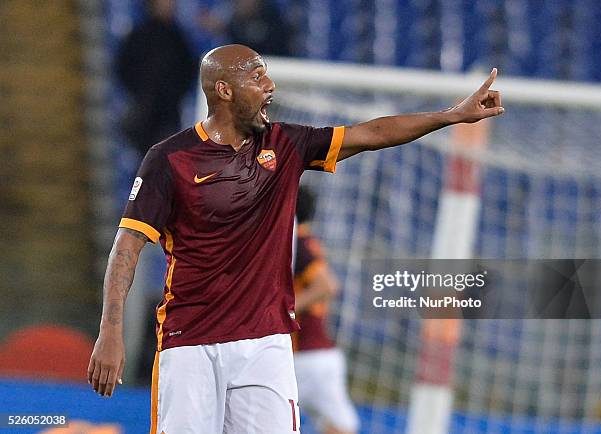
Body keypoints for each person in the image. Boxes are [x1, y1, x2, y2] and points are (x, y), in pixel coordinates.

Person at [87, 44, 503, 434]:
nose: (270, 86)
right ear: (224, 90)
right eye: (257, 77)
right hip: (189, 342)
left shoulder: (286, 144)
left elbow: (373, 133)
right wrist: (111, 331)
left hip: (266, 343)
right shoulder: (169, 158)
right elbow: (127, 247)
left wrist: (451, 115)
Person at [293, 186, 359, 434]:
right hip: (321, 355)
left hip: (302, 356)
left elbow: (327, 286)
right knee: (339, 427)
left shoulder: (296, 243)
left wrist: (286, 310)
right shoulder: (309, 242)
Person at [115, 0, 197, 157]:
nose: (170, 5)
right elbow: (123, 69)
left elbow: (189, 69)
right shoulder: (138, 37)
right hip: (145, 114)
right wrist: (140, 93)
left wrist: (174, 94)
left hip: (169, 114)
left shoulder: (177, 36)